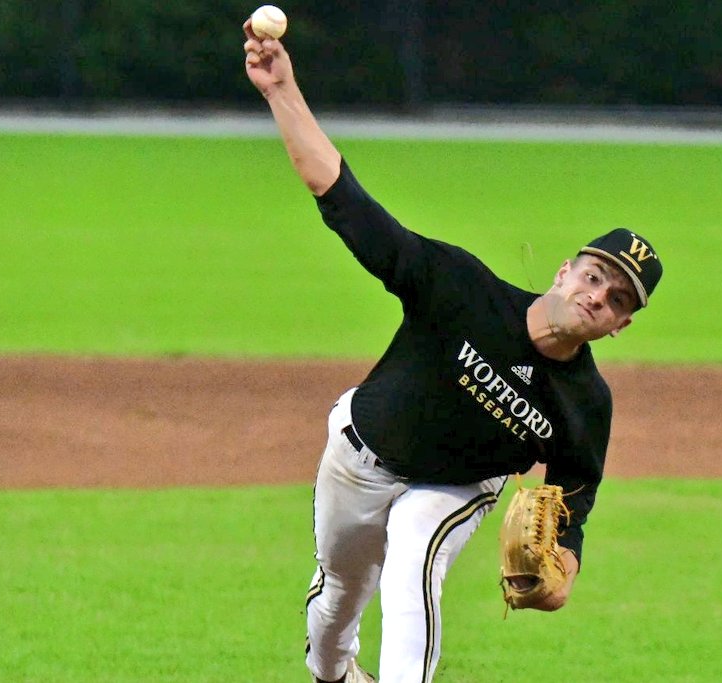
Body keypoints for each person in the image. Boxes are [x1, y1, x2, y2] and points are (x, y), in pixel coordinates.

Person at [243, 19, 663, 683]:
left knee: (415, 543)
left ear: (620, 326)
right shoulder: (460, 287)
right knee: (334, 607)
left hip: (457, 485)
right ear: (564, 271)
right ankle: (334, 671)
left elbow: (572, 509)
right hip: (360, 451)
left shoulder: (586, 402)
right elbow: (343, 198)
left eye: (615, 298)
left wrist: (561, 575)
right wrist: (281, 91)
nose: (596, 295)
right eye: (593, 276)